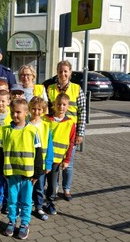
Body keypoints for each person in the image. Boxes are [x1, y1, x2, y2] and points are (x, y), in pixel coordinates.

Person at [0, 99, 43, 240]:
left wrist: (37, 173)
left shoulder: (32, 131)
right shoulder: (6, 131)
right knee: (12, 200)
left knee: (26, 201)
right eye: (13, 112)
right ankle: (12, 221)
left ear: (26, 113)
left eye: (18, 112)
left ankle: (24, 224)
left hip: (27, 175)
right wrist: (2, 170)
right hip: (12, 174)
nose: (15, 115)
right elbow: (1, 152)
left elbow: (39, 153)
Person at [47, 60, 86, 201]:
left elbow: (82, 112)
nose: (63, 74)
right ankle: (54, 188)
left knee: (68, 164)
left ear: (70, 72)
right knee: (55, 163)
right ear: (57, 72)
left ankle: (67, 189)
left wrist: (80, 133)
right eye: (60, 71)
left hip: (71, 132)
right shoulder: (50, 89)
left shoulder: (77, 89)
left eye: (65, 71)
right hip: (55, 132)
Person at [44, 93, 76, 215]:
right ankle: (38, 202)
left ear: (68, 107)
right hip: (43, 158)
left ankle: (50, 202)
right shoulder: (45, 119)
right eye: (58, 104)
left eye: (64, 105)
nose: (61, 107)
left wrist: (67, 160)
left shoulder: (70, 123)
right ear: (54, 105)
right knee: (40, 182)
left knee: (52, 183)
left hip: (57, 160)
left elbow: (71, 142)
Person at [28, 96, 53, 221]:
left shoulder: (46, 126)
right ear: (29, 109)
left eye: (39, 109)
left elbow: (49, 147)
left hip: (41, 164)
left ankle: (39, 207)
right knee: (27, 186)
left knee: (39, 187)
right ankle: (26, 206)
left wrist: (48, 164)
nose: (36, 112)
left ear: (43, 110)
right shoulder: (25, 124)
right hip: (27, 162)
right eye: (33, 109)